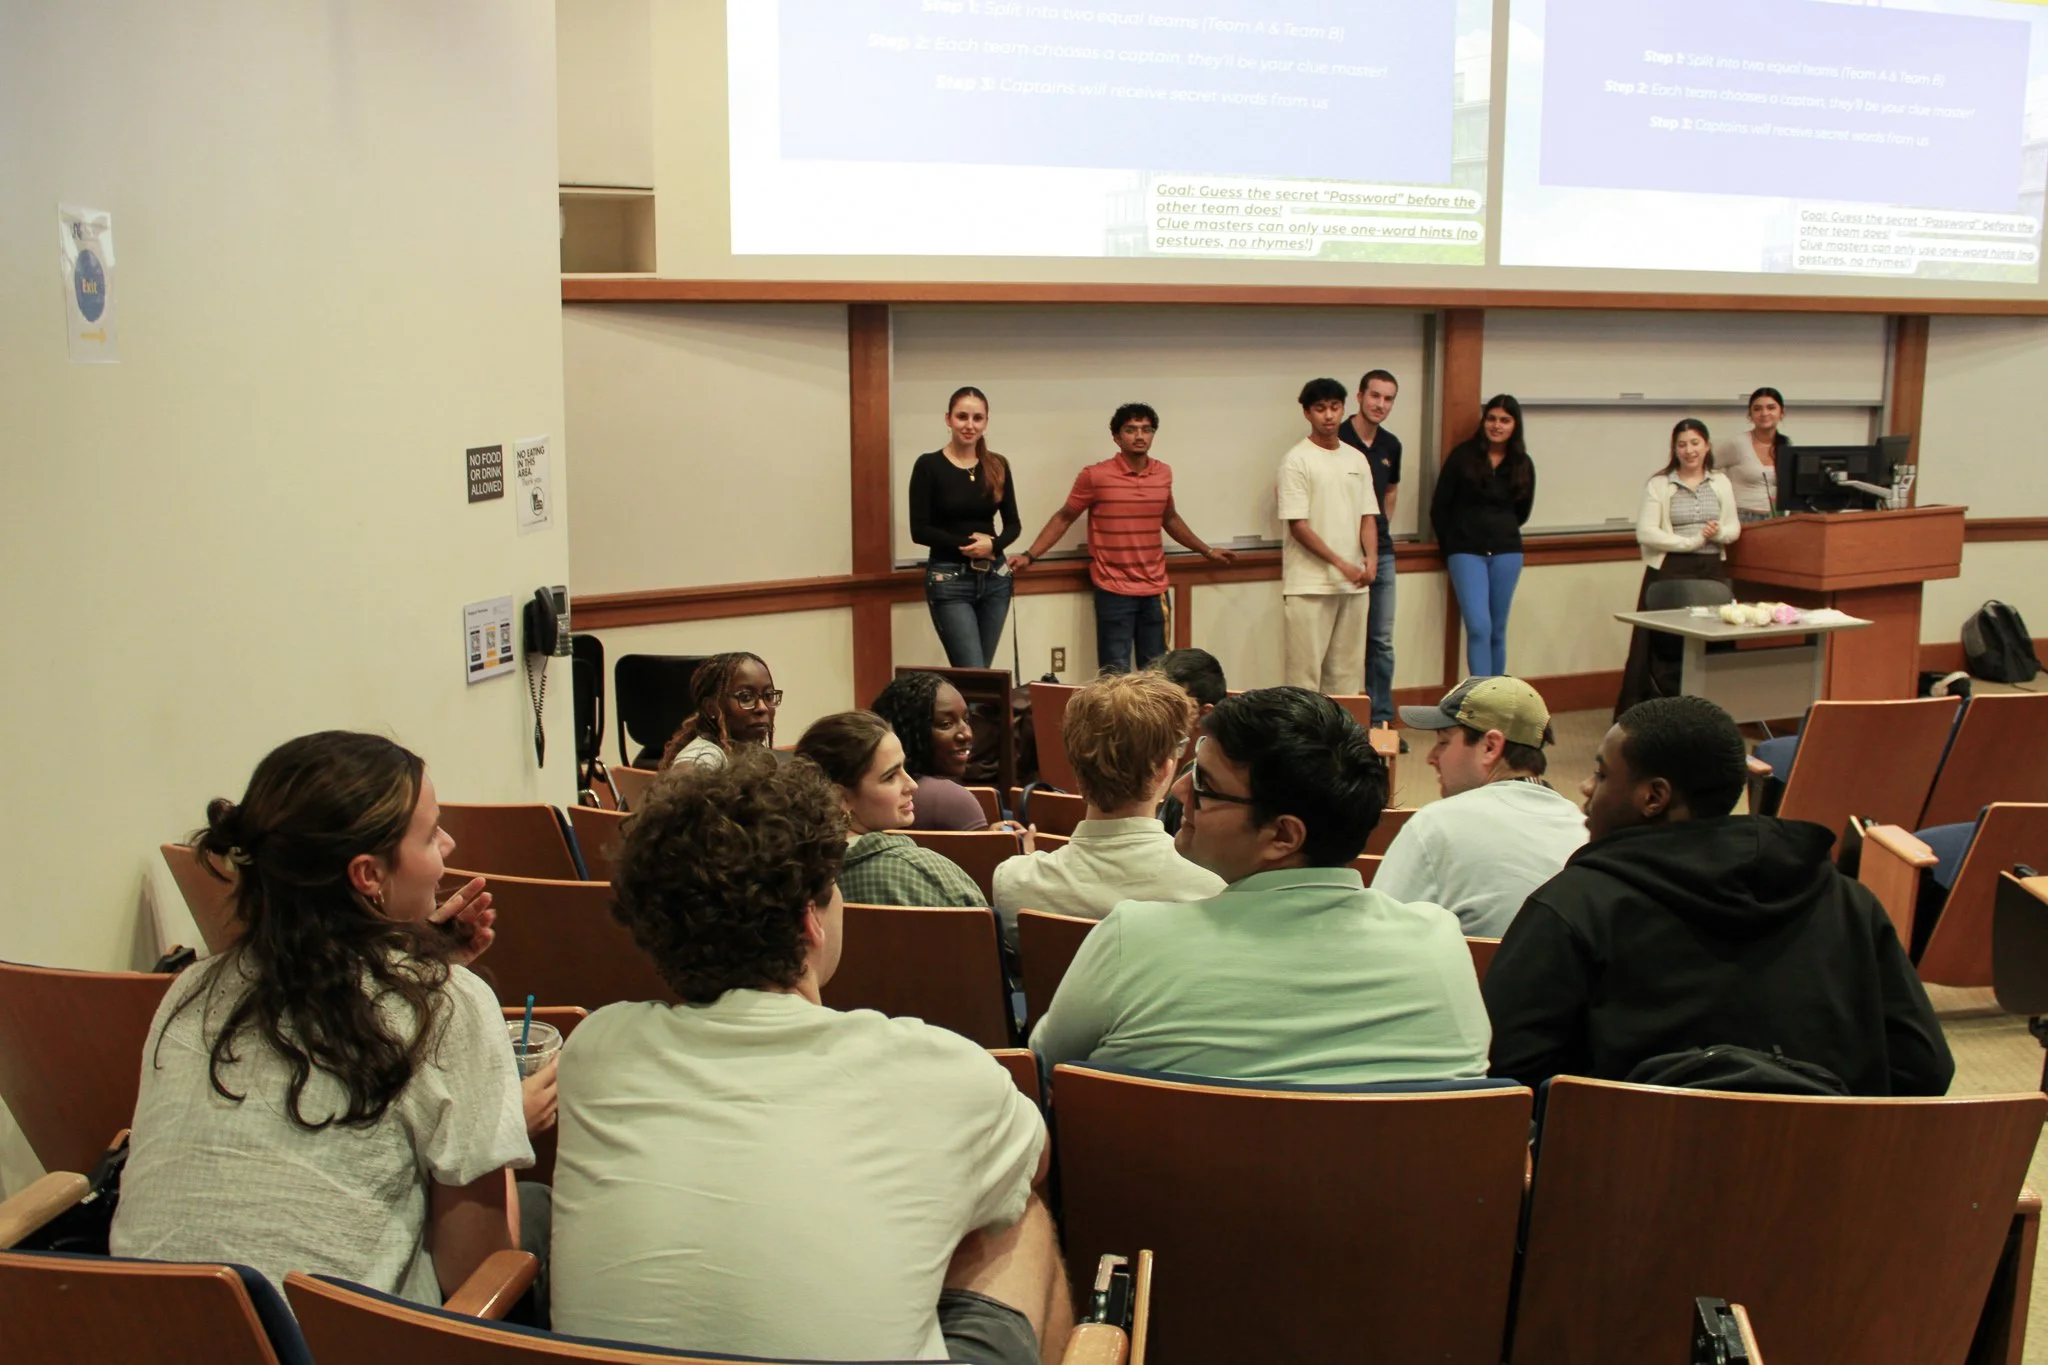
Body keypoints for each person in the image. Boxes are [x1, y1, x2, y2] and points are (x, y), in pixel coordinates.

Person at [550, 749, 1067, 1364]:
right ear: (810, 923)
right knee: (1019, 1213)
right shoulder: (939, 1070)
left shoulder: (594, 1051)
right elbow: (1031, 1164)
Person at [112, 732, 538, 1302]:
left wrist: (415, 962)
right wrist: (503, 1114)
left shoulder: (189, 990)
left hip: (144, 1330)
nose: (450, 845)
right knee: (537, 1215)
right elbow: (476, 1269)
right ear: (367, 876)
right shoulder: (449, 1005)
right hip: (329, 1340)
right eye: (432, 833)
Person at [1483, 696, 1954, 1096]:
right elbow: (1924, 1069)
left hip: (1630, 1187)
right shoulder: (1848, 902)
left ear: (1654, 797)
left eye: (1602, 775)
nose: (1585, 789)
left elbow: (1508, 1076)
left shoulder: (1571, 908)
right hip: (1829, 1187)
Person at [1029, 688, 1490, 1085]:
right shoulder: (1440, 944)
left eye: (1205, 787)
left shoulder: (1132, 937)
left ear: (1284, 836)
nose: (1178, 794)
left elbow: (1045, 1064)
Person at [992, 671, 1224, 944]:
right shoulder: (1212, 891)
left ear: (1077, 769)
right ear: (1164, 769)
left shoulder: (1012, 882)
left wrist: (1026, 862)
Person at [1008, 402, 1237, 673]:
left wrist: (1207, 551)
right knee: (1114, 674)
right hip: (1113, 590)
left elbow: (1170, 518)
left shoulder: (1163, 473)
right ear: (1117, 437)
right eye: (1131, 430)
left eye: (1146, 429)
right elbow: (1064, 517)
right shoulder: (1095, 475)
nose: (1140, 436)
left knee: (1156, 674)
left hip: (1155, 591)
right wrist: (1029, 555)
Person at [1381, 677, 1586, 938]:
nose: (1430, 757)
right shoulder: (1584, 830)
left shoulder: (1435, 825)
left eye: (1443, 742)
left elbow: (1379, 937)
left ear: (1490, 747)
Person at [796, 710, 987, 908]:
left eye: (905, 768)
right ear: (840, 797)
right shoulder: (921, 872)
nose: (912, 784)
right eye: (890, 776)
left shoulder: (791, 875)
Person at [1614, 419, 1741, 716]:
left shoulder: (1720, 481)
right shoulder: (1660, 484)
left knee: (1711, 638)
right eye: (1682, 444)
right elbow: (1645, 533)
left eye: (1695, 443)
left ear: (1706, 446)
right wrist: (1691, 541)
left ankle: (1711, 711)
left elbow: (1733, 524)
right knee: (1668, 644)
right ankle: (1662, 709)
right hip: (1671, 569)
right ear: (1674, 449)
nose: (1689, 450)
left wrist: (1718, 534)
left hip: (1711, 568)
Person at [907, 386, 1022, 668]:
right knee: (972, 670)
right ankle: (964, 714)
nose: (969, 425)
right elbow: (919, 530)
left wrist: (993, 545)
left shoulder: (997, 465)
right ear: (948, 419)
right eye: (962, 417)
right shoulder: (929, 465)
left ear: (985, 422)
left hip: (996, 577)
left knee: (985, 676)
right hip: (950, 580)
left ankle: (974, 714)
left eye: (977, 418)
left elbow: (1013, 525)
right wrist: (968, 545)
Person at [1278, 378, 1380, 694]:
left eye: (1335, 407)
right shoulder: (1296, 460)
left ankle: (1342, 742)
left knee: (1347, 677)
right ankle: (1304, 743)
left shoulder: (1356, 458)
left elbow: (1368, 515)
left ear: (1343, 408)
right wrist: (1340, 563)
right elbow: (1299, 526)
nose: (1329, 416)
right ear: (1307, 413)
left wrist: (1371, 561)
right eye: (1320, 409)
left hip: (1354, 585)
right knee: (1304, 678)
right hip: (1309, 584)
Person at [1433, 394, 1535, 678]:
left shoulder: (1522, 463)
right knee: (1479, 626)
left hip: (1507, 552)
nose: (1497, 426)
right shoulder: (1462, 456)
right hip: (1465, 552)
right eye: (1491, 418)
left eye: (1505, 420)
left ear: (1515, 425)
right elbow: (1440, 507)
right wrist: (1450, 547)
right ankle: (1480, 696)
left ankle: (1496, 697)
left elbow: (1523, 512)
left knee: (1498, 628)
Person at [1336, 369, 1404, 730]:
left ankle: (1380, 721)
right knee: (1346, 643)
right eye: (1375, 396)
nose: (1381, 404)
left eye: (1389, 398)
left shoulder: (1391, 445)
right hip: (1342, 553)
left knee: (1381, 640)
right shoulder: (1337, 437)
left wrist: (1381, 530)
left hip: (1383, 552)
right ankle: (1347, 723)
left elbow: (1390, 490)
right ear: (1360, 396)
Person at [870, 671, 992, 832]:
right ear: (911, 731)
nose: (966, 734)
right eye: (946, 724)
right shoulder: (951, 799)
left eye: (966, 719)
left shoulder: (874, 796)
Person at [657, 652, 779, 772]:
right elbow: (683, 779)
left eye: (768, 696)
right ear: (711, 708)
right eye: (746, 697)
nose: (763, 708)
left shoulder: (754, 753)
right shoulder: (704, 756)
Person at [1151, 647, 1227, 837]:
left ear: (1203, 715)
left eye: (1170, 706)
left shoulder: (1200, 786)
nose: (1154, 715)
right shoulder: (1151, 757)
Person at [1717, 387, 1791, 523]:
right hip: (1743, 518)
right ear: (1749, 415)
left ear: (1782, 412)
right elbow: (1701, 466)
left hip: (1777, 519)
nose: (1764, 413)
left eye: (1771, 408)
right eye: (1757, 409)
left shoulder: (1786, 445)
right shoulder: (1737, 444)